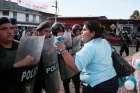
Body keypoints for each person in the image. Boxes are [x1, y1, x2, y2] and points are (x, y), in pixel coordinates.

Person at [54, 21, 118, 93]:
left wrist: (62, 49)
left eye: (84, 29)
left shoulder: (90, 46)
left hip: (97, 86)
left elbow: (75, 67)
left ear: (92, 33)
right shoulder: (104, 41)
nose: (81, 32)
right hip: (112, 80)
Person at [0, 17, 37, 93]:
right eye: (4, 29)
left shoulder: (20, 45)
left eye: (11, 28)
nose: (9, 31)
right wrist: (17, 65)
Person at [33, 21, 61, 93]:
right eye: (45, 31)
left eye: (49, 31)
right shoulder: (32, 41)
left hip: (49, 74)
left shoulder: (52, 41)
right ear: (38, 31)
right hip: (37, 76)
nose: (48, 34)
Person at [51, 22, 75, 93]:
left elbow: (67, 47)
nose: (62, 33)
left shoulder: (62, 38)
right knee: (64, 81)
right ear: (55, 32)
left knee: (66, 81)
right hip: (58, 64)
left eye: (62, 31)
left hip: (64, 63)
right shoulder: (54, 39)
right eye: (60, 31)